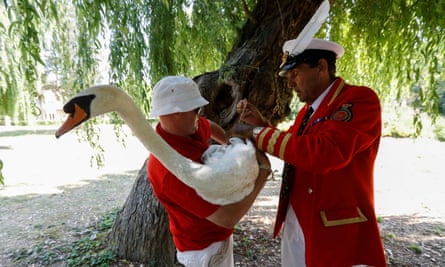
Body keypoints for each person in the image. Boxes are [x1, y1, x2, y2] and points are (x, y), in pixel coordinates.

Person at [231, 39, 387, 266]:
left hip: (336, 229)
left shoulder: (359, 100)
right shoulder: (308, 111)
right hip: (299, 219)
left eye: (295, 73)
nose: (290, 83)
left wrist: (256, 132)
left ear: (321, 67)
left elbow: (324, 153)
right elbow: (295, 148)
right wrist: (262, 125)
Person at [146, 75, 271, 267]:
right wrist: (262, 173)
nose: (199, 116)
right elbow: (227, 217)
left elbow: (208, 126)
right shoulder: (169, 170)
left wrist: (231, 146)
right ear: (177, 113)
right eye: (196, 110)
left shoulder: (186, 128)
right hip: (204, 251)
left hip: (214, 239)